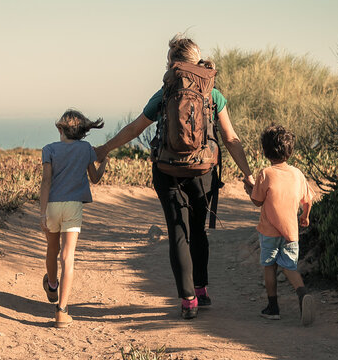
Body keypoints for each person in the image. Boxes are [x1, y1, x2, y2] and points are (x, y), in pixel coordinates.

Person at [95, 34, 255, 319]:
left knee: (178, 233)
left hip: (168, 170)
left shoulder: (166, 92)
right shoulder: (212, 93)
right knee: (198, 230)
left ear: (173, 63)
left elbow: (135, 129)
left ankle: (188, 300)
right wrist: (248, 173)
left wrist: (104, 149)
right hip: (203, 171)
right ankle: (202, 289)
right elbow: (230, 138)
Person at [40, 109, 108, 328]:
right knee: (68, 257)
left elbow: (46, 182)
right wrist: (104, 162)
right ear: (81, 132)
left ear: (60, 128)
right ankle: (61, 311)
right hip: (73, 207)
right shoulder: (86, 149)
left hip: (51, 206)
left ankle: (51, 285)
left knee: (52, 249)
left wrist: (42, 213)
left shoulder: (49, 149)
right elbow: (95, 178)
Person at [246, 124, 315, 326]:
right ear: (290, 150)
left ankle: (273, 307)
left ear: (265, 151)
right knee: (289, 266)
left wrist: (248, 188)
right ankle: (302, 294)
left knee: (269, 266)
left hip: (269, 232)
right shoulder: (298, 174)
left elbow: (257, 201)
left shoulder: (265, 173)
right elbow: (308, 200)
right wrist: (305, 216)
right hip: (291, 231)